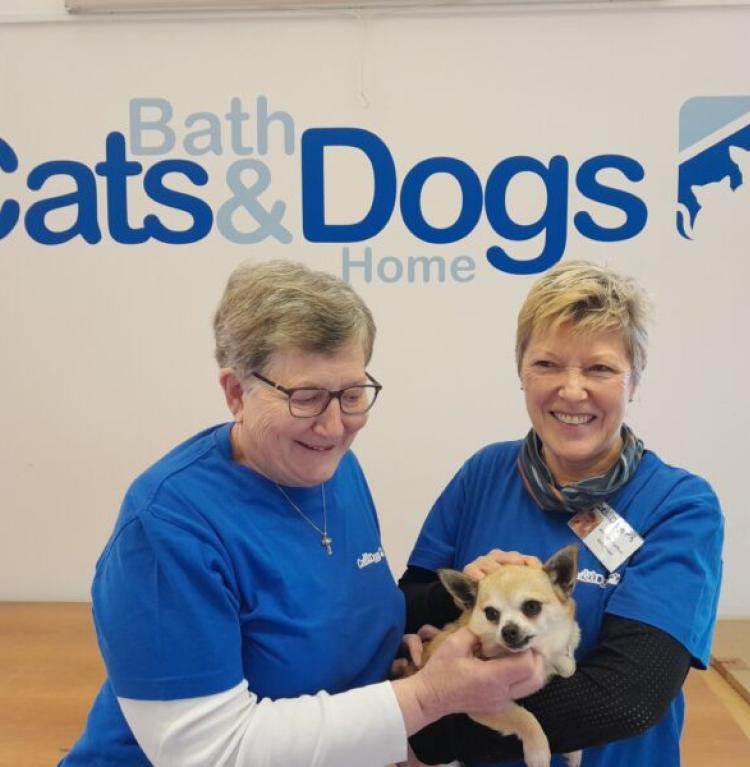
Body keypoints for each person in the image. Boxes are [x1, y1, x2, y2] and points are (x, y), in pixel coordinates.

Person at [60, 259, 545, 767]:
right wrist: (425, 698)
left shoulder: (334, 468)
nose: (335, 426)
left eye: (353, 394)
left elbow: (336, 615)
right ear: (235, 392)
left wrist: (429, 636)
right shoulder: (167, 529)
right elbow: (209, 753)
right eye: (306, 398)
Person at [401, 260, 724, 767]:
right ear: (521, 372)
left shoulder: (678, 507)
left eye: (600, 368)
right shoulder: (484, 473)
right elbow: (409, 606)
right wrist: (465, 596)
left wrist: (430, 729)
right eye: (547, 364)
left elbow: (625, 698)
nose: (572, 391)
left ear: (633, 380)